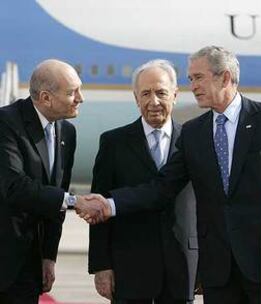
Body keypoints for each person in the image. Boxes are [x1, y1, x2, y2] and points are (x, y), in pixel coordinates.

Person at [80, 46, 261, 304]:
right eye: (190, 79)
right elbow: (162, 187)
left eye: (198, 77)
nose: (193, 86)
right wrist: (109, 205)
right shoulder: (193, 133)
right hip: (218, 273)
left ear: (224, 77)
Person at [88, 59, 198, 304]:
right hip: (129, 268)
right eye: (146, 94)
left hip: (182, 266)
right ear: (136, 98)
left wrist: (205, 262)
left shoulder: (195, 140)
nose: (154, 101)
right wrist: (101, 266)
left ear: (175, 95)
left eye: (161, 93)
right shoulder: (113, 143)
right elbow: (99, 208)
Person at [0, 59, 107, 304]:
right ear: (46, 98)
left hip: (28, 268)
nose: (81, 98)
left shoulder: (67, 132)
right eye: (72, 92)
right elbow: (14, 187)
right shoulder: (6, 123)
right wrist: (75, 202)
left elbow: (55, 201)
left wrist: (48, 256)